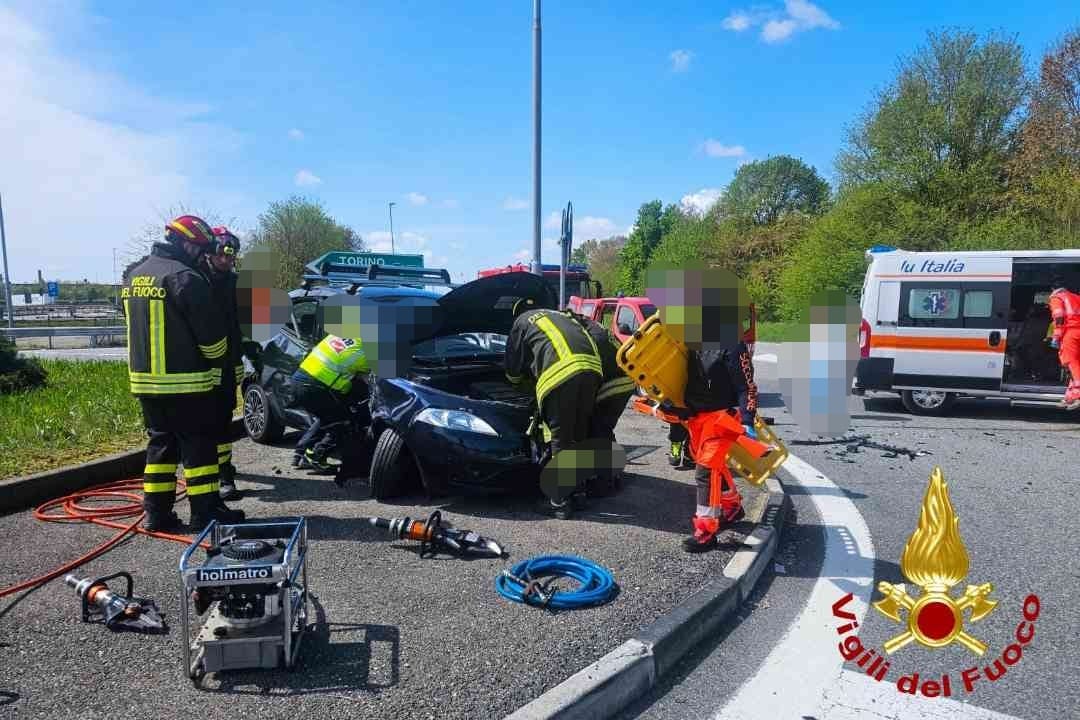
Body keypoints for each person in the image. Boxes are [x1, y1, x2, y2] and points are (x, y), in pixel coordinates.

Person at [124, 215, 246, 532]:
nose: (203, 254)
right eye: (201, 247)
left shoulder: (135, 276)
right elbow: (213, 343)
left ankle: (157, 514)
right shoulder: (186, 278)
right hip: (187, 384)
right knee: (199, 449)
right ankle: (206, 513)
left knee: (160, 448)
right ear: (186, 243)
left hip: (145, 383)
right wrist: (220, 358)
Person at [505, 299, 604, 510]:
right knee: (579, 433)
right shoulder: (560, 315)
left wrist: (518, 386)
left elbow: (513, 367)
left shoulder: (522, 321)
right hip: (592, 370)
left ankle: (560, 500)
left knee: (561, 436)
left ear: (518, 312)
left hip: (560, 372)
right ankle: (578, 492)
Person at [290, 333, 371, 472]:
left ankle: (301, 452)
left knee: (328, 417)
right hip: (317, 387)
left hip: (298, 380)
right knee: (343, 423)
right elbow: (369, 375)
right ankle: (316, 457)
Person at [204, 227, 245, 501]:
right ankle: (209, 474)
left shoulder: (236, 284)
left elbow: (241, 326)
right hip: (197, 365)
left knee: (222, 423)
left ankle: (224, 474)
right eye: (223, 255)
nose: (228, 261)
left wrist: (241, 357)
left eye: (232, 256)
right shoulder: (194, 280)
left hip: (227, 364)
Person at [1048, 282, 1080, 409]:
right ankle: (1070, 396)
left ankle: (1077, 394)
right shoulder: (1076, 297)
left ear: (1052, 289)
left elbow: (1059, 316)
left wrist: (1056, 336)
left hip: (1070, 333)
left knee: (1070, 362)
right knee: (1076, 364)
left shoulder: (1057, 297)